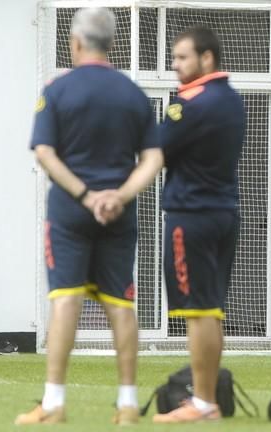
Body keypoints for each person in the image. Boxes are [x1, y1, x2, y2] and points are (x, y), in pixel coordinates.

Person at [15, 8, 163, 425]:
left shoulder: (57, 90)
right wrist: (118, 195)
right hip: (119, 214)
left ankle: (55, 402)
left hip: (69, 214)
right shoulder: (133, 94)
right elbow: (153, 158)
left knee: (66, 301)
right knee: (120, 304)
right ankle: (129, 404)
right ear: (112, 44)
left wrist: (84, 195)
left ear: (75, 43)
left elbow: (44, 152)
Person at [152, 26, 246, 424]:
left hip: (191, 217)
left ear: (207, 58)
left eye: (182, 58)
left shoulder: (189, 103)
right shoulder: (233, 100)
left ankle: (203, 403)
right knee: (212, 311)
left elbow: (154, 151)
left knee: (198, 312)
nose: (175, 66)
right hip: (225, 214)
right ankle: (206, 400)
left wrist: (114, 194)